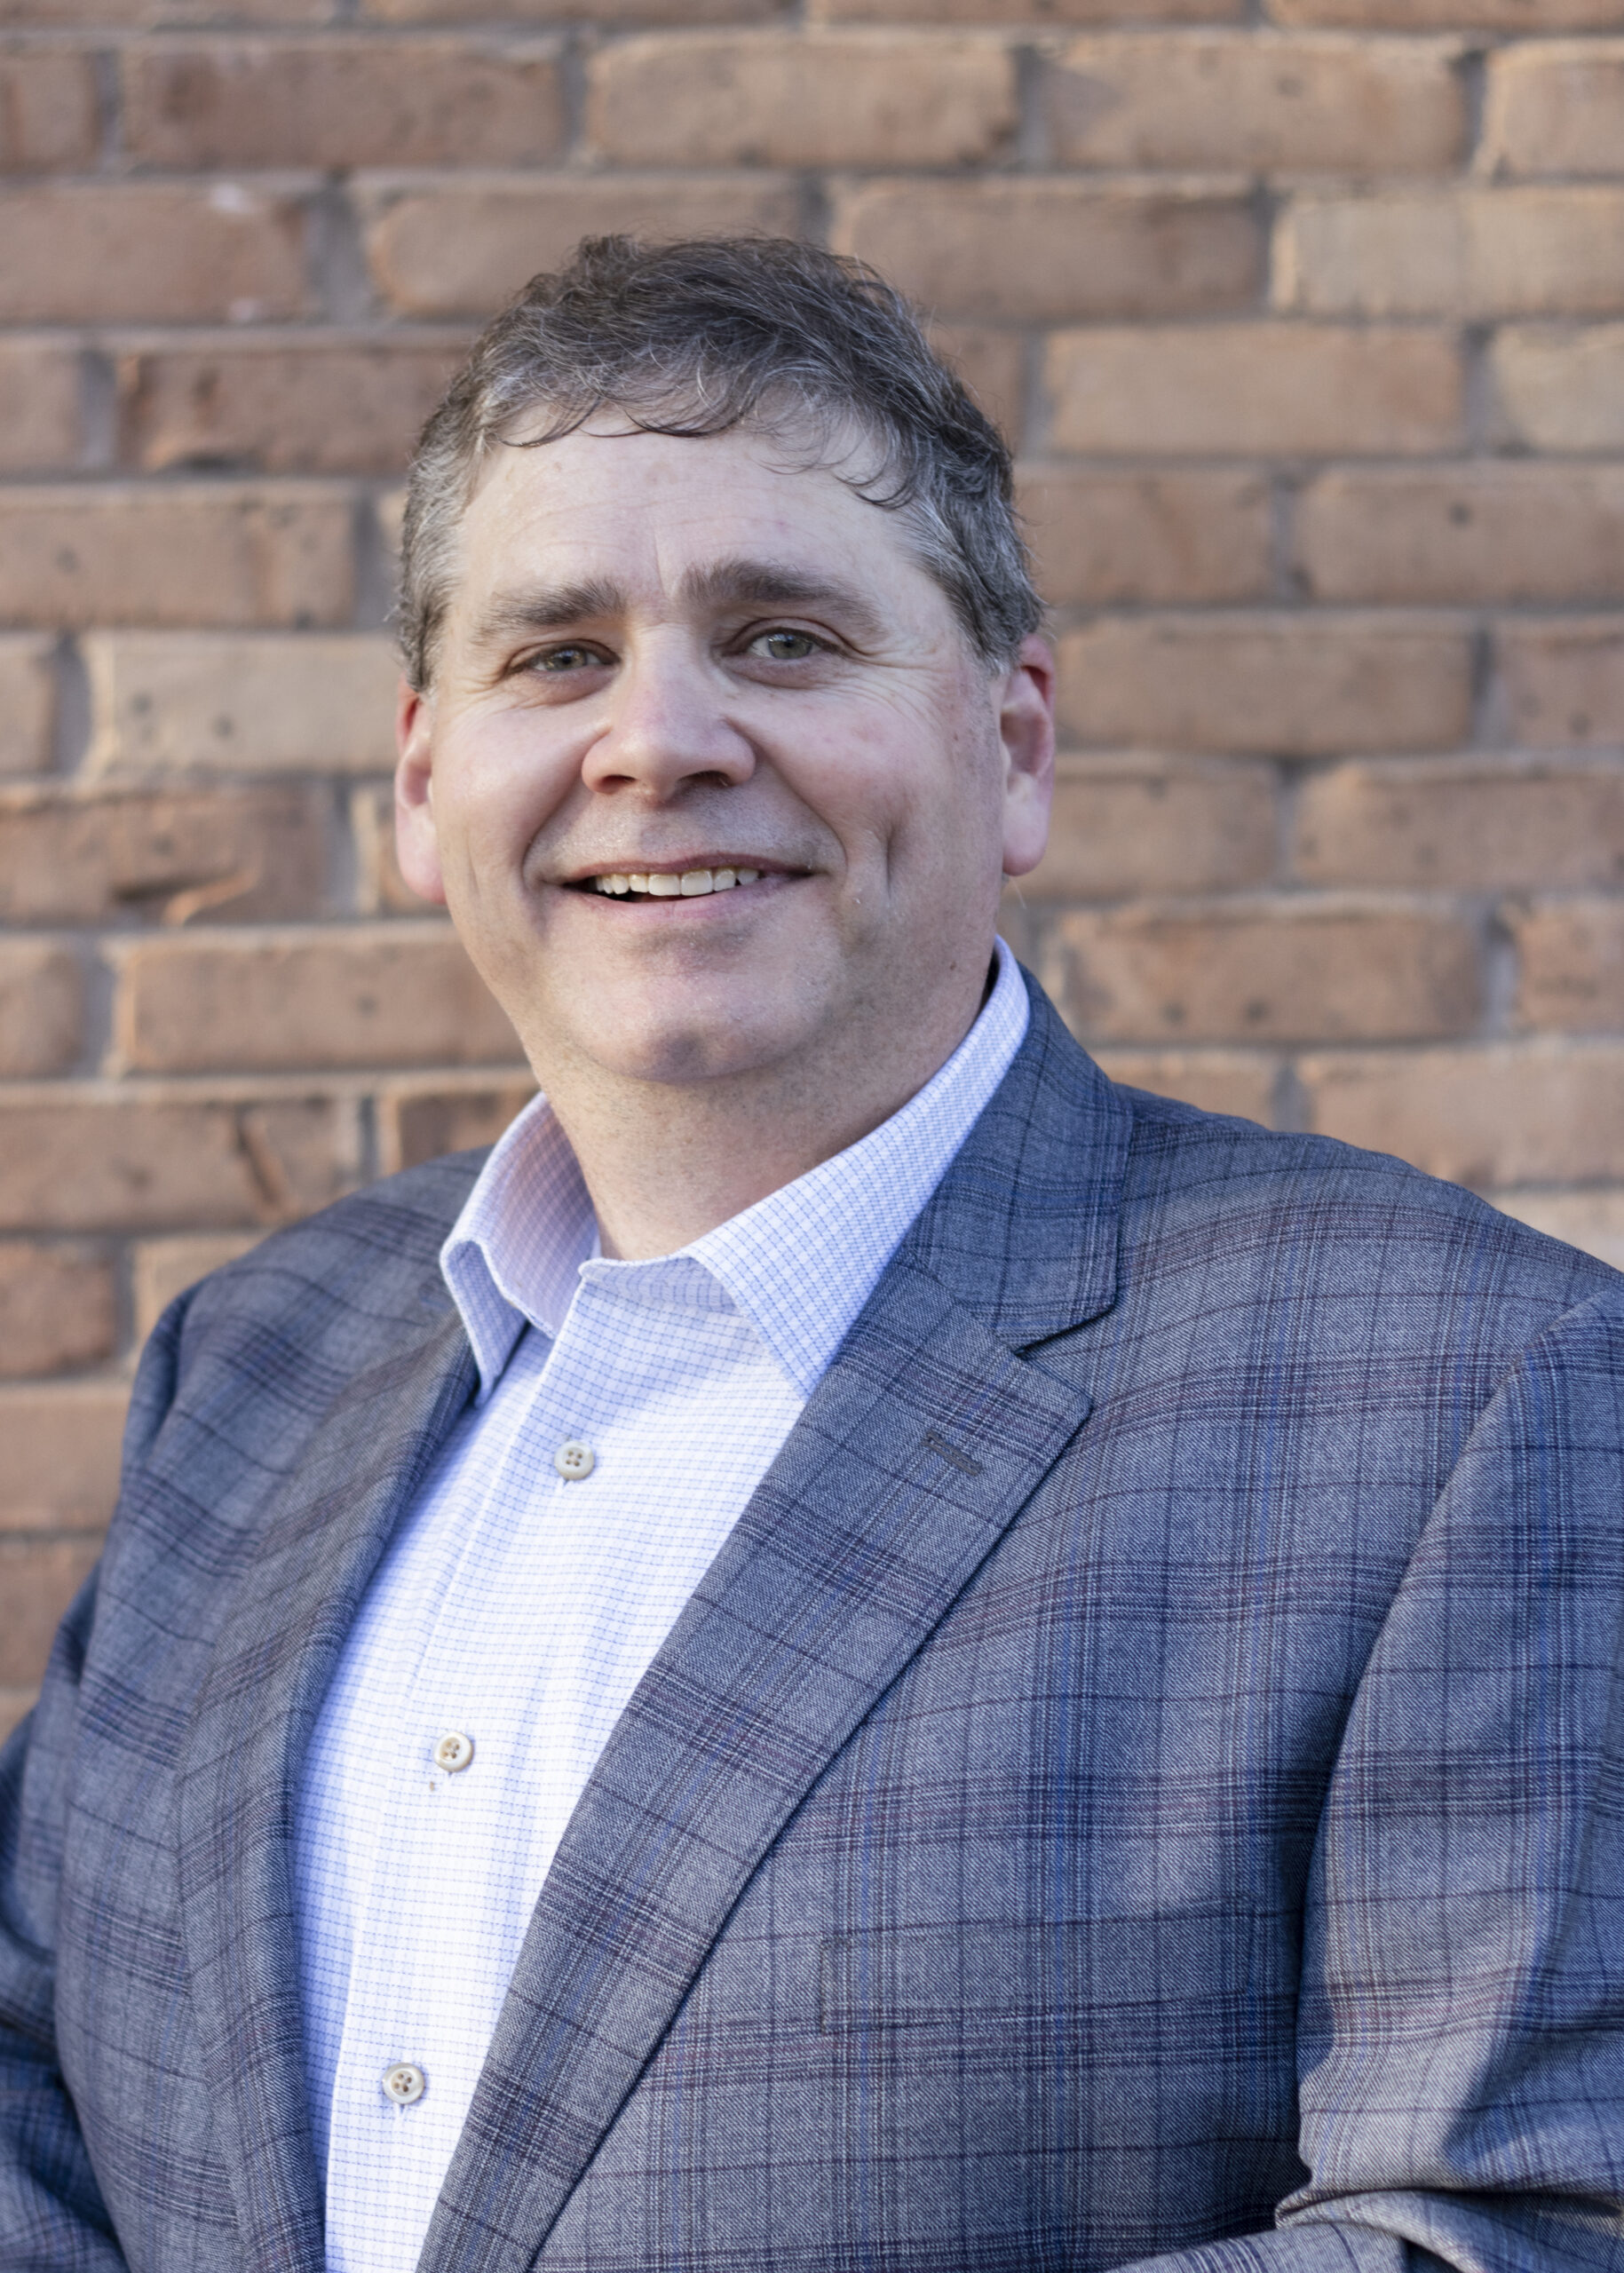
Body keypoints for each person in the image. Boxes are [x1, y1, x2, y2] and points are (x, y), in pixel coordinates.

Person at [2, 234, 1622, 2273]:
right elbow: (31, 2063)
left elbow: (1517, 2229)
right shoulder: (254, 1360)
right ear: (428, 783)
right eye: (557, 654)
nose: (657, 738)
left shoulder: (1467, 1392)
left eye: (781, 638)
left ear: (1012, 747)